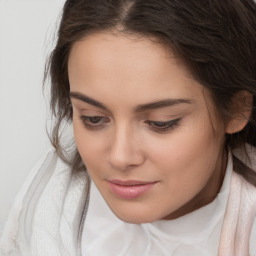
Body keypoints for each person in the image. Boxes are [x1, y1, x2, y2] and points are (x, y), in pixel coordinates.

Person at [1, 0, 256, 255]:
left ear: (236, 110)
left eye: (160, 123)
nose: (120, 157)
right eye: (93, 118)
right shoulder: (44, 201)